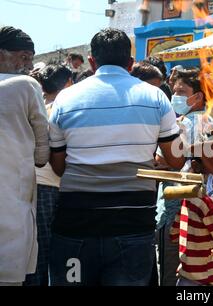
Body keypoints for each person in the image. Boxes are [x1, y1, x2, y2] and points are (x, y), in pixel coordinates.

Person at [48, 28, 184, 286]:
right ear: (131, 63)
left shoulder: (65, 99)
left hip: (75, 227)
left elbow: (58, 167)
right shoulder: (155, 97)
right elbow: (176, 160)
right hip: (132, 228)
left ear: (91, 61)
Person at [162, 68, 213, 286]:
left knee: (180, 258)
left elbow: (166, 159)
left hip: (186, 197)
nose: (175, 96)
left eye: (181, 91)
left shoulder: (184, 123)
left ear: (198, 96)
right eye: (174, 91)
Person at [0, 26, 50, 286]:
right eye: (23, 57)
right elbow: (42, 150)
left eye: (30, 58)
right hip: (11, 203)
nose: (28, 65)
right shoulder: (27, 85)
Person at [24, 64, 72, 286]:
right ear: (69, 84)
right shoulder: (60, 111)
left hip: (33, 185)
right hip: (51, 186)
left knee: (36, 251)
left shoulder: (39, 108)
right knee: (50, 252)